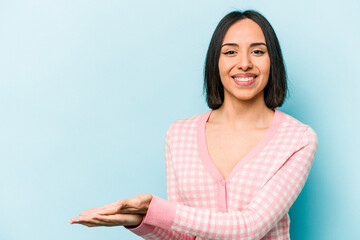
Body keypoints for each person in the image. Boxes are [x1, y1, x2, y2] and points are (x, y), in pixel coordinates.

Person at [70, 10, 318, 239]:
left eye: (258, 51)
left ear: (272, 61)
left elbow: (250, 227)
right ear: (215, 62)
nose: (244, 63)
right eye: (230, 52)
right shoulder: (180, 135)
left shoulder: (297, 139)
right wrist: (140, 220)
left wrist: (156, 209)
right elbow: (183, 235)